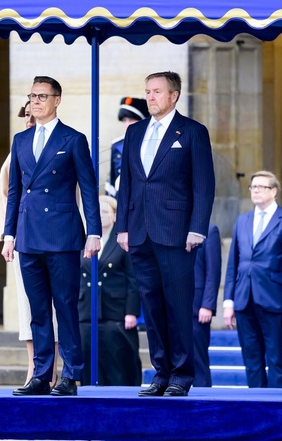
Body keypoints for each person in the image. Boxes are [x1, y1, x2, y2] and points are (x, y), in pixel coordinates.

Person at [116, 71, 215, 397]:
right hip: (139, 232)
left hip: (176, 233)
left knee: (177, 306)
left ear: (174, 95)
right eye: (148, 91)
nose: (150, 97)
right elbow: (128, 184)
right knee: (152, 306)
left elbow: (204, 184)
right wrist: (122, 227)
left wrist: (197, 228)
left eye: (157, 91)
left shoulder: (192, 131)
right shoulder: (135, 132)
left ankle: (181, 376)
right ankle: (160, 373)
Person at [2, 76, 101, 397]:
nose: (35, 101)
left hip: (62, 235)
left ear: (57, 100)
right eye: (32, 96)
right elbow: (15, 191)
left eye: (42, 96)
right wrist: (8, 234)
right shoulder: (20, 140)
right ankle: (42, 375)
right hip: (28, 235)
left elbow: (88, 188)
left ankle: (70, 375)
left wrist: (94, 231)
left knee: (65, 307)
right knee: (39, 310)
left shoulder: (73, 139)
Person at [0, 100, 59, 390]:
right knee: (28, 307)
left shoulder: (62, 144)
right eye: (27, 118)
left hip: (57, 238)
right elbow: (6, 196)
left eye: (34, 117)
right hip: (24, 239)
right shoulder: (17, 150)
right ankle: (34, 368)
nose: (30, 122)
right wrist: (8, 235)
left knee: (56, 306)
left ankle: (53, 370)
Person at [223, 171, 282, 388]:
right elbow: (233, 265)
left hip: (273, 301)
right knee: (252, 361)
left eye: (261, 187)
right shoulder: (242, 220)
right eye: (253, 187)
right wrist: (228, 302)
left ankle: (276, 405)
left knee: (276, 360)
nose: (255, 190)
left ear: (274, 191)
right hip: (244, 300)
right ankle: (256, 403)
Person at [78, 195, 142, 386]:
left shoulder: (123, 241)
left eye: (105, 212)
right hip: (86, 311)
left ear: (114, 215)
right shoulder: (83, 239)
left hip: (115, 312)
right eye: (97, 212)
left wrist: (131, 312)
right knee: (88, 362)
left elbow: (133, 279)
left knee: (117, 365)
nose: (101, 216)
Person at [192, 224, 221, 387]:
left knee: (198, 359)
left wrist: (208, 304)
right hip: (175, 305)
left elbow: (213, 270)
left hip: (197, 307)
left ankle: (202, 396)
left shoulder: (209, 230)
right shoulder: (173, 227)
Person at [105, 97, 149, 197]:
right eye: (125, 120)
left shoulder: (151, 143)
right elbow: (112, 178)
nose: (127, 124)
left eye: (131, 120)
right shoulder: (117, 145)